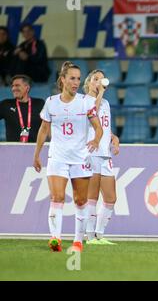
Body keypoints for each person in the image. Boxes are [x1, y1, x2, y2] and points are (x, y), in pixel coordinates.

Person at [33, 61, 103, 253]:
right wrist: (37, 154)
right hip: (57, 157)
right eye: (72, 78)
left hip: (80, 158)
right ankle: (55, 239)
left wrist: (96, 140)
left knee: (81, 201)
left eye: (78, 79)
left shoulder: (86, 102)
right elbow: (43, 129)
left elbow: (98, 128)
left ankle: (78, 241)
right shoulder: (51, 102)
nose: (76, 82)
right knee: (57, 197)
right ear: (62, 80)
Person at [83, 70, 120, 245]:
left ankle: (99, 234)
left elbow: (103, 124)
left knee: (111, 198)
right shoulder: (84, 101)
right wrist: (101, 93)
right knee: (92, 197)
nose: (98, 82)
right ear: (88, 83)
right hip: (91, 152)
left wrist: (113, 136)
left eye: (100, 79)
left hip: (105, 154)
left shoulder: (105, 103)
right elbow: (92, 115)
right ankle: (89, 236)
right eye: (95, 79)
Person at [0, 75, 45, 142]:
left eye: (17, 85)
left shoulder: (40, 104)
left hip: (35, 149)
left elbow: (49, 125)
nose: (13, 88)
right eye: (12, 86)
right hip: (12, 150)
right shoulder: (6, 104)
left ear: (27, 88)